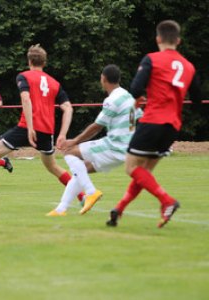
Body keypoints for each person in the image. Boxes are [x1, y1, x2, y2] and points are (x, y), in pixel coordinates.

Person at [106, 20, 202, 228]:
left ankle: (166, 200)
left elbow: (136, 87)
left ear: (158, 38)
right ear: (178, 40)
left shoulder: (152, 59)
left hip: (152, 121)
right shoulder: (189, 66)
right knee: (144, 173)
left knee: (131, 167)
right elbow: (196, 99)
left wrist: (140, 98)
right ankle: (119, 209)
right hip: (172, 126)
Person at [0, 44, 73, 211]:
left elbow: (26, 100)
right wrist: (62, 134)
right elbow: (68, 108)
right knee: (52, 166)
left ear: (29, 60)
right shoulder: (54, 82)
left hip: (27, 128)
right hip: (47, 131)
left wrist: (31, 127)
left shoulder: (24, 77)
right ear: (44, 62)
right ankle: (84, 196)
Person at [46, 64, 142, 216]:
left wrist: (74, 141)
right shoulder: (128, 97)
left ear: (103, 79)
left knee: (69, 151)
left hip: (115, 146)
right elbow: (137, 120)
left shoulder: (112, 100)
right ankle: (61, 209)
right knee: (81, 170)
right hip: (126, 149)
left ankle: (91, 192)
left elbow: (97, 127)